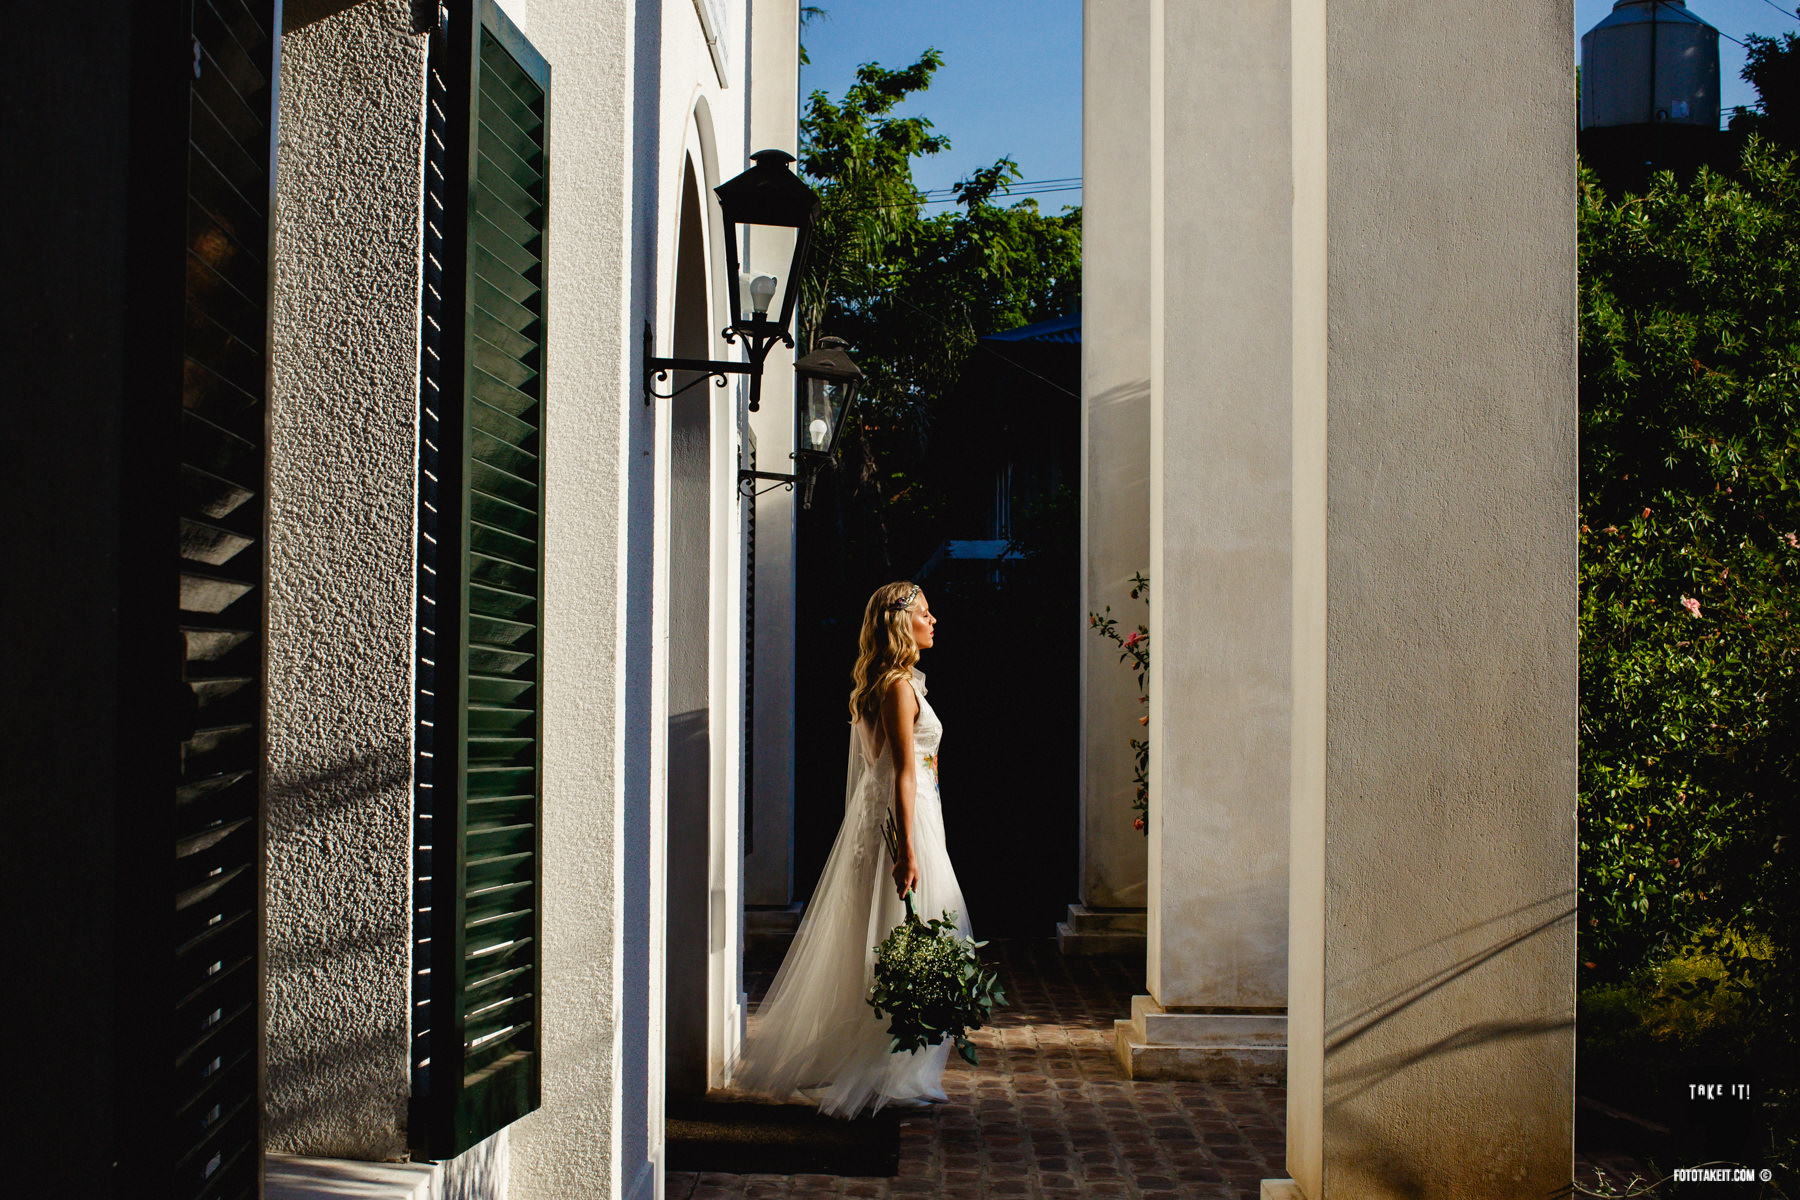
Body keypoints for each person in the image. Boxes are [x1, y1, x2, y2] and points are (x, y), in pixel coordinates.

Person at [731, 580, 971, 1117]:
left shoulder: (891, 684)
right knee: (914, 931)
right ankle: (885, 1064)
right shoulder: (897, 688)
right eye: (926, 613)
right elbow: (902, 773)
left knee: (893, 934)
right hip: (901, 821)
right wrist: (908, 847)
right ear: (899, 623)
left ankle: (890, 1058)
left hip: (898, 816)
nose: (935, 622)